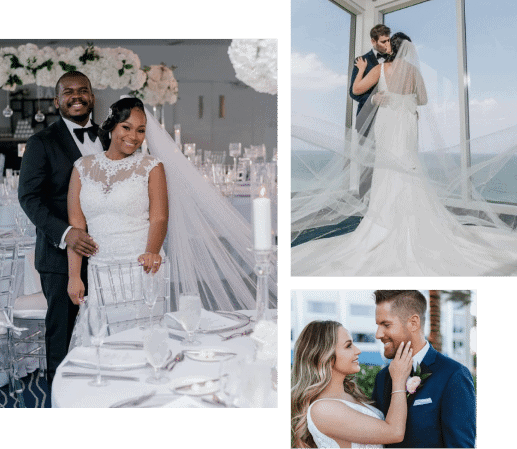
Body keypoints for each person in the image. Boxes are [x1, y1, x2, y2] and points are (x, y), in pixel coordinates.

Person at [290, 32, 517, 276]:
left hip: (388, 122)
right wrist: (404, 98)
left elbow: (357, 89)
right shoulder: (414, 71)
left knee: (386, 167)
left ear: (391, 48)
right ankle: (414, 221)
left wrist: (373, 87)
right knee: (409, 167)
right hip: (407, 122)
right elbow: (423, 100)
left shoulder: (381, 68)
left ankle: (384, 221)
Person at [18, 71, 102, 389]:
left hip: (108, 252)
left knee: (104, 329)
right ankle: (58, 397)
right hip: (59, 259)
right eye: (68, 92)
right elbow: (29, 197)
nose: (76, 96)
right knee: (62, 334)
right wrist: (66, 234)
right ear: (57, 101)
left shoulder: (110, 137)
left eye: (83, 90)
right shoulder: (41, 142)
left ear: (92, 97)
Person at [371, 290, 476, 448]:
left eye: (386, 325)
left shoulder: (453, 375)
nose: (378, 334)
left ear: (413, 323)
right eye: (378, 325)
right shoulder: (382, 378)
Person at [291, 320, 413, 449]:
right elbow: (394, 433)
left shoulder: (350, 395)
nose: (358, 350)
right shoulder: (323, 409)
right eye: (348, 346)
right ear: (326, 357)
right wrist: (399, 379)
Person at [350, 24, 391, 123]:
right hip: (366, 118)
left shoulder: (394, 61)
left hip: (390, 117)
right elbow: (353, 92)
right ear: (373, 41)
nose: (387, 44)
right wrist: (373, 99)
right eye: (383, 41)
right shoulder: (361, 60)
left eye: (389, 40)